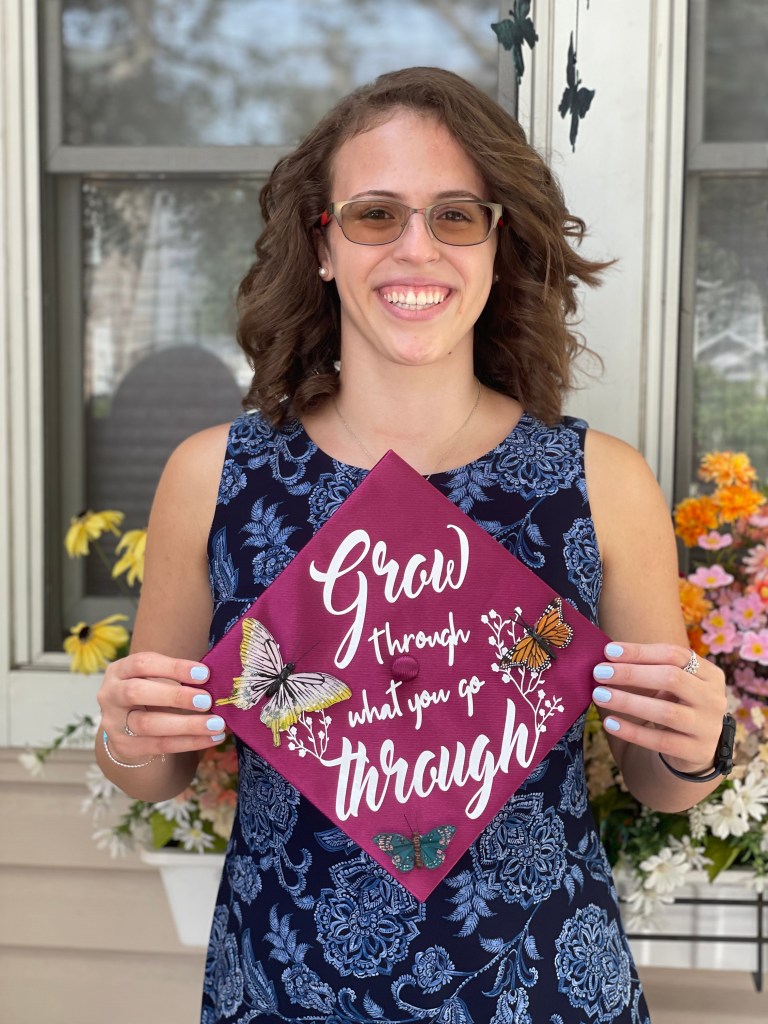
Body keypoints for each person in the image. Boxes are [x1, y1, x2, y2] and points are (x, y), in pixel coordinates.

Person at [96, 67, 727, 1023]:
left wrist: (696, 744)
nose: (416, 248)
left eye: (456, 215)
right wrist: (128, 731)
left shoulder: (602, 481)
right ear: (322, 245)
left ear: (499, 243)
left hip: (544, 988)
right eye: (376, 215)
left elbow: (659, 783)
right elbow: (157, 769)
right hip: (284, 989)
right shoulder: (212, 476)